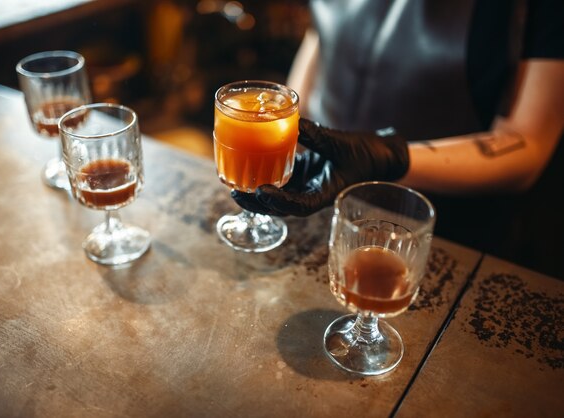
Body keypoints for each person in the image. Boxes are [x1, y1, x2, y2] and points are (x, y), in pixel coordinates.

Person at [232, 0, 564, 277]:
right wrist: (290, 140)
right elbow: (320, 36)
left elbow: (527, 143)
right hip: (318, 199)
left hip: (432, 234)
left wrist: (385, 158)